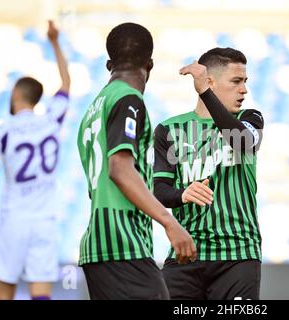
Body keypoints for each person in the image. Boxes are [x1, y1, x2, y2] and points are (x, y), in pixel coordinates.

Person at [76, 22, 196, 300]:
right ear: (150, 65)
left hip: (99, 243)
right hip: (123, 243)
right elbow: (119, 168)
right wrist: (170, 222)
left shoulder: (93, 109)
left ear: (109, 65)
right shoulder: (128, 99)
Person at [153, 47, 264, 299]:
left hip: (238, 255)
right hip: (187, 255)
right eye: (236, 81)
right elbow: (159, 190)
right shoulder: (170, 129)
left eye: (245, 81)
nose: (244, 90)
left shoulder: (251, 118)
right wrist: (183, 194)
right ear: (210, 82)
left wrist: (204, 93)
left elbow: (243, 141)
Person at [0, 20, 70, 300]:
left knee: (4, 288)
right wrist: (55, 42)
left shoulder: (4, 130)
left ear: (16, 94)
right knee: (41, 292)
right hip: (45, 219)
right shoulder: (51, 120)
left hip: (13, 217)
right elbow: (66, 83)